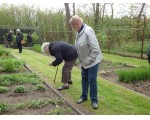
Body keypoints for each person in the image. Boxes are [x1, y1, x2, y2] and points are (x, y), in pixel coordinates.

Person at [69, 15, 103, 109]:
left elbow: (96, 50)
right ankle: (84, 96)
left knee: (92, 80)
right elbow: (80, 47)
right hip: (84, 61)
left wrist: (87, 61)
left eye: (73, 26)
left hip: (93, 60)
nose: (73, 28)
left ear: (77, 24)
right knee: (84, 79)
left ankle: (94, 100)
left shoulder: (88, 31)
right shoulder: (79, 32)